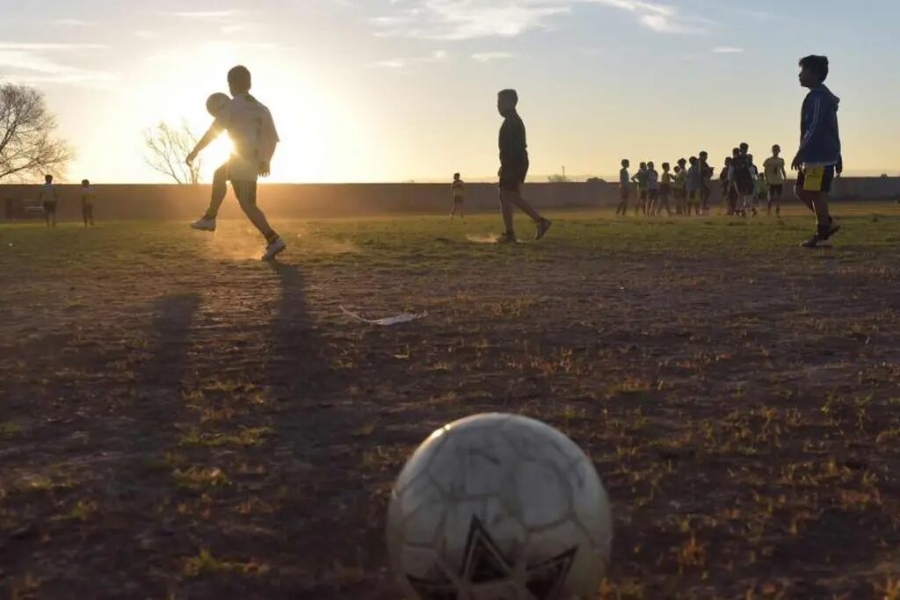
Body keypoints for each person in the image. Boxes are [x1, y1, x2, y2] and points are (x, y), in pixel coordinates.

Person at [187, 65, 287, 261]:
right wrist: (266, 160)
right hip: (252, 159)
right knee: (234, 189)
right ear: (248, 83)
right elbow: (272, 139)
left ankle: (271, 238)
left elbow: (213, 132)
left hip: (241, 158)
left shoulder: (233, 105)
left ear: (231, 84)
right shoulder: (262, 108)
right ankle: (211, 218)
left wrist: (195, 151)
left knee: (247, 204)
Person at [791, 55, 842, 248]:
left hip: (819, 156)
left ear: (815, 74)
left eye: (803, 71)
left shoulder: (819, 98)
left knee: (815, 193)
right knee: (800, 190)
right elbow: (833, 128)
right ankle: (827, 223)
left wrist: (801, 150)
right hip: (817, 156)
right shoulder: (818, 96)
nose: (799, 75)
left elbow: (815, 126)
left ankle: (822, 233)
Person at [495, 89, 551, 243]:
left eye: (500, 102)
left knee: (508, 195)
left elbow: (513, 148)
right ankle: (511, 233)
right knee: (507, 195)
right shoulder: (512, 120)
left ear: (510, 102)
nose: (497, 106)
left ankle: (539, 222)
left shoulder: (511, 122)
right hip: (516, 162)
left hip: (515, 162)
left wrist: (508, 166)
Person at [763, 145, 787, 217]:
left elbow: (782, 169)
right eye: (774, 150)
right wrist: (766, 179)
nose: (776, 152)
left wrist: (784, 177)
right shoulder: (768, 160)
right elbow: (765, 170)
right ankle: (769, 210)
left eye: (777, 150)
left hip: (779, 180)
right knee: (771, 197)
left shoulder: (781, 160)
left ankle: (777, 211)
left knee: (779, 197)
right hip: (771, 181)